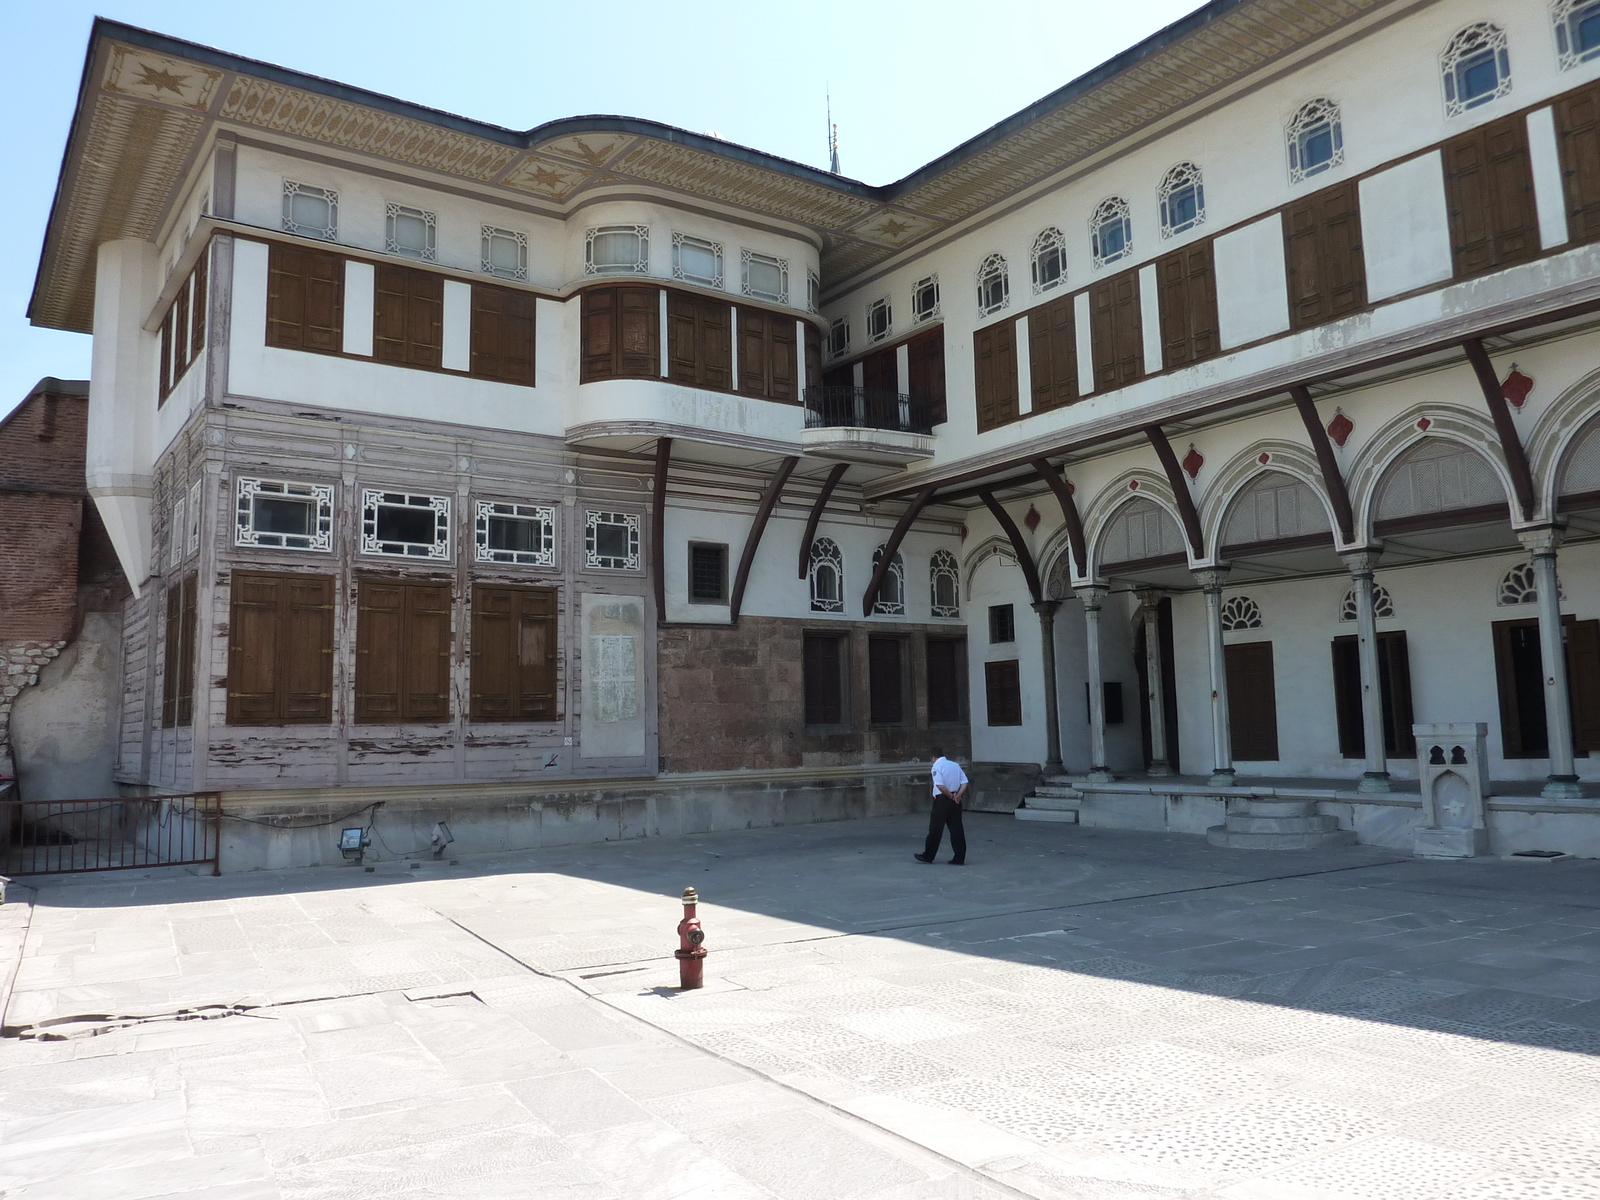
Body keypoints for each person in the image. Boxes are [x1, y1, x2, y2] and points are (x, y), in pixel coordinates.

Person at [916, 749, 969, 865]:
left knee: (935, 828)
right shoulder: (955, 765)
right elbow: (965, 781)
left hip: (943, 799)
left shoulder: (937, 766)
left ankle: (929, 855)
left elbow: (940, 785)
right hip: (956, 799)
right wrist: (958, 795)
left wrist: (950, 796)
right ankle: (959, 857)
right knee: (956, 829)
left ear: (933, 757)